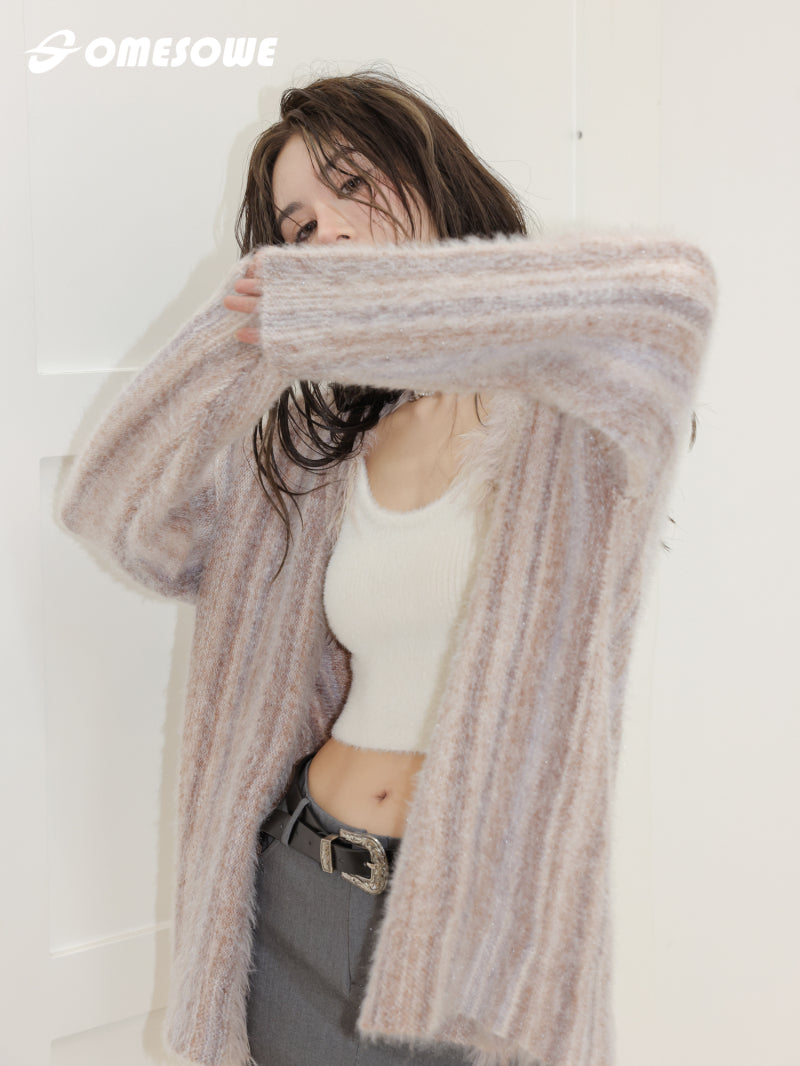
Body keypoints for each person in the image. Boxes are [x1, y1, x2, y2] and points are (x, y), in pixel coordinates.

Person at [61, 71, 716, 1066]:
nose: (325, 232)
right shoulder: (316, 463)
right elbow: (115, 515)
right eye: (298, 228)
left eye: (353, 185)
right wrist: (236, 341)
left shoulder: (571, 425)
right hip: (299, 898)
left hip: (477, 934)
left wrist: (368, 307)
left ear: (430, 178)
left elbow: (672, 295)